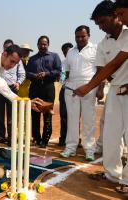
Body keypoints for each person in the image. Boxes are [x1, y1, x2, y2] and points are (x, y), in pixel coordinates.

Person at [75, 0, 128, 193]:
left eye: (103, 21)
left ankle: (127, 181)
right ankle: (113, 175)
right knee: (111, 136)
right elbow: (103, 69)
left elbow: (114, 64)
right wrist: (100, 84)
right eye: (97, 23)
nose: (101, 27)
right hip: (114, 92)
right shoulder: (103, 44)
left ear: (116, 16)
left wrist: (89, 86)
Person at [60, 26, 97, 161]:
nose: (80, 39)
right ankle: (70, 148)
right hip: (71, 91)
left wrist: (99, 89)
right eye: (77, 37)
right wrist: (63, 82)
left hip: (89, 88)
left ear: (89, 35)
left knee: (89, 120)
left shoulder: (95, 49)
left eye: (83, 36)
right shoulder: (70, 51)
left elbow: (100, 70)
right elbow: (67, 72)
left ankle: (89, 150)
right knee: (72, 120)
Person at [27, 35, 62, 148]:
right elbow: (27, 73)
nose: (43, 46)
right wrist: (35, 75)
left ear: (48, 45)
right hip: (35, 87)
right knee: (35, 114)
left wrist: (46, 74)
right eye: (41, 44)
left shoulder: (54, 56)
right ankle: (36, 138)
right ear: (37, 45)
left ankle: (45, 139)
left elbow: (58, 71)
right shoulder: (32, 59)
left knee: (47, 114)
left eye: (45, 44)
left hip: (48, 88)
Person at [0, 39, 26, 146]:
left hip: (12, 89)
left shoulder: (18, 60)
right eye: (5, 47)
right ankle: (0, 136)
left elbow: (22, 74)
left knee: (11, 115)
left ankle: (11, 138)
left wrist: (18, 83)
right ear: (4, 49)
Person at [58, 43, 73, 147]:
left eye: (68, 51)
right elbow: (61, 79)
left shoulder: (77, 62)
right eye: (65, 52)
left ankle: (75, 139)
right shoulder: (62, 64)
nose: (67, 53)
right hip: (64, 90)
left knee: (74, 117)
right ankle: (63, 138)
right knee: (64, 116)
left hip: (75, 91)